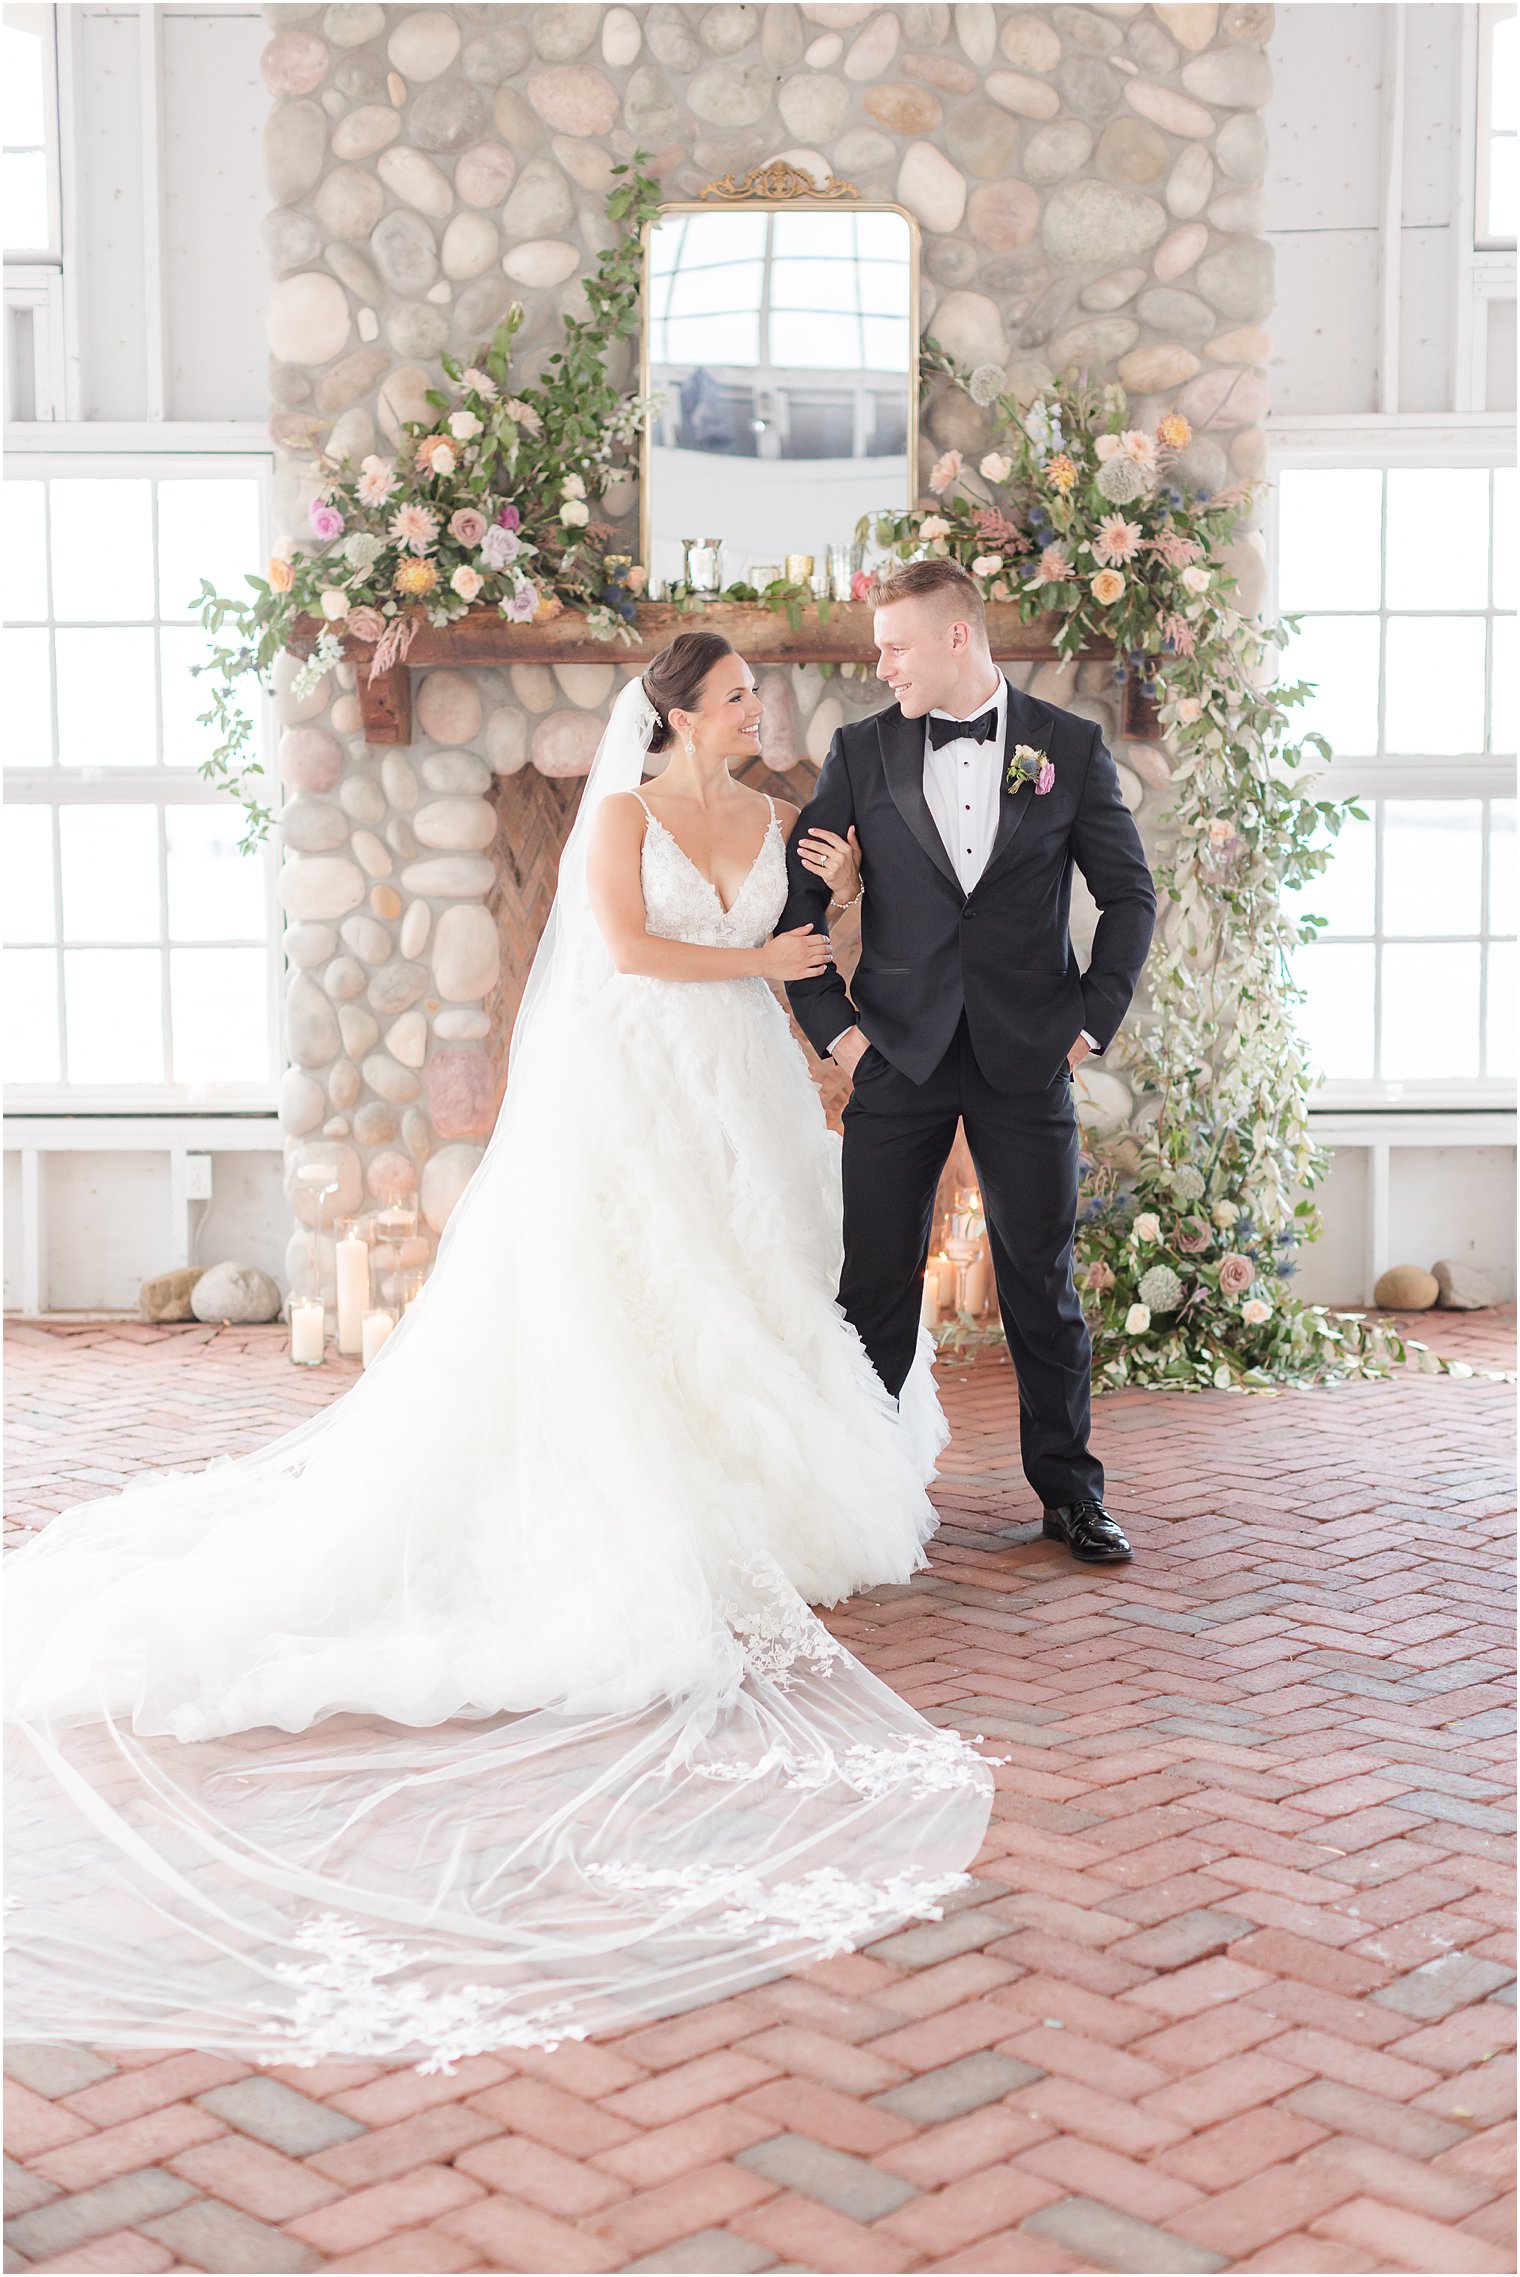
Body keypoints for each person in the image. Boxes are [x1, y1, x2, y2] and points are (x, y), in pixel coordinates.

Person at [3, 633, 996, 2073]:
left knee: (771, 1276)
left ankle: (777, 1476)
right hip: (643, 1083)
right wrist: (764, 950)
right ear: (673, 713)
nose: (755, 715)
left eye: (753, 701)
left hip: (745, 1088)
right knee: (645, 1292)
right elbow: (628, 950)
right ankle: (658, 1478)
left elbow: (807, 967)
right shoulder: (614, 815)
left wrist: (829, 920)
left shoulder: (782, 824)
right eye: (733, 700)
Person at [779, 560, 1157, 1566]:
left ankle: (1070, 1498)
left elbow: (1128, 898)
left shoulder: (1066, 749)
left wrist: (1088, 1023)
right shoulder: (857, 751)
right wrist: (842, 1035)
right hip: (894, 1053)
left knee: (1041, 1281)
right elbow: (797, 915)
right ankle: (860, 1498)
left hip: (1026, 1051)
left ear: (957, 639)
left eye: (894, 645)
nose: (878, 662)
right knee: (872, 1287)